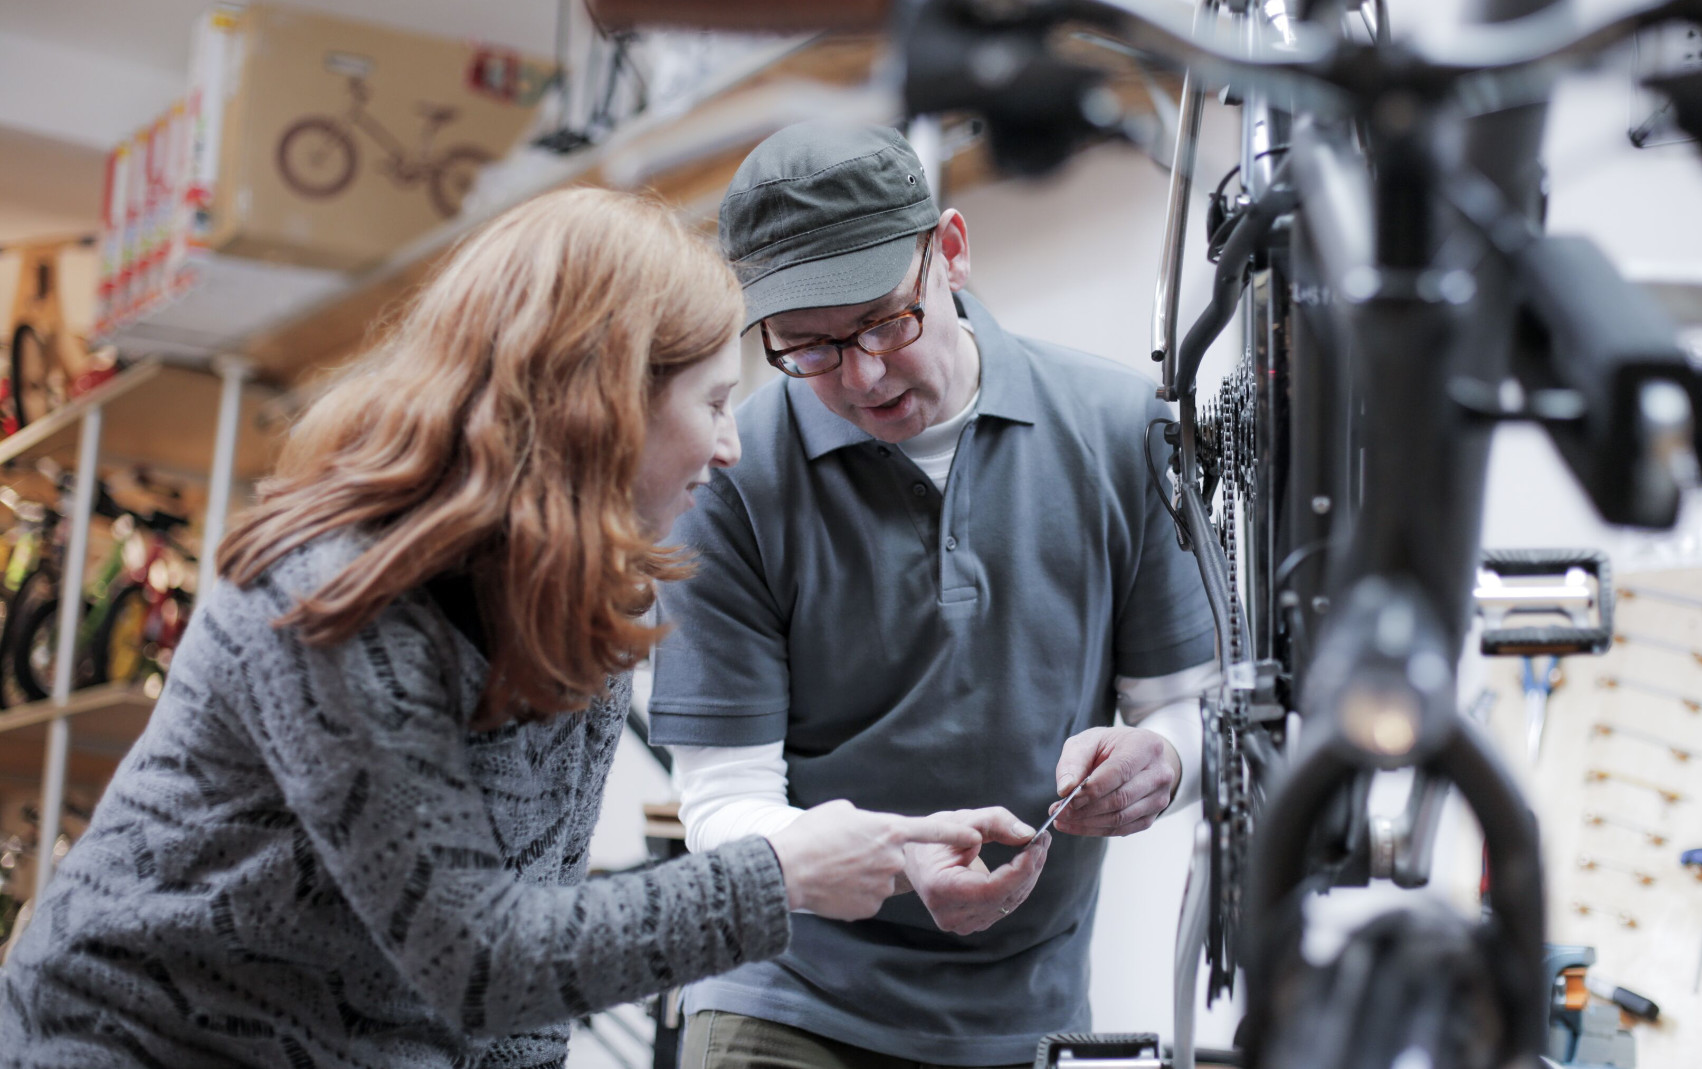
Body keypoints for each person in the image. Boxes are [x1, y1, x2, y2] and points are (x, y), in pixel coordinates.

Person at [0, 188, 991, 1069]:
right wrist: (782, 876)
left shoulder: (585, 602)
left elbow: (527, 974)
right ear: (600, 404)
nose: (732, 446)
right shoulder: (327, 595)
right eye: (715, 401)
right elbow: (480, 957)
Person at [650, 123, 1220, 1068]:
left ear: (950, 252)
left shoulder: (1123, 431)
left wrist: (1162, 760)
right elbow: (723, 801)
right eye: (812, 349)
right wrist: (888, 860)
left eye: (885, 321)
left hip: (1030, 1010)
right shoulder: (734, 479)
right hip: (789, 1002)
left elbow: (1187, 711)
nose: (865, 374)